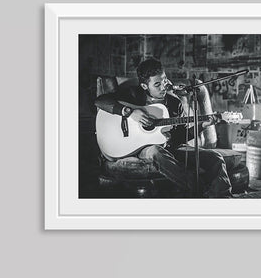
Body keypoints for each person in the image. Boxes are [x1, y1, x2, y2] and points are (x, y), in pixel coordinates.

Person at [94, 58, 232, 198]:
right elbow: (100, 101)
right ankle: (199, 193)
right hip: (142, 148)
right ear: (144, 86)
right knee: (156, 151)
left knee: (215, 158)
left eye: (164, 80)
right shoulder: (132, 95)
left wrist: (202, 125)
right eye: (157, 85)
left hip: (170, 147)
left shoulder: (174, 103)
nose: (163, 87)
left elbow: (182, 135)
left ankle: (222, 197)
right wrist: (129, 112)